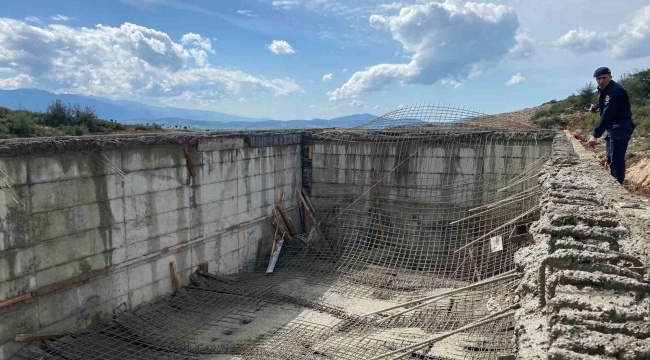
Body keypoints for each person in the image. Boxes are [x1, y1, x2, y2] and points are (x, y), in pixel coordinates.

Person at [587, 67, 635, 184]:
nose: (601, 81)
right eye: (599, 79)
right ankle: (616, 183)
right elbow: (604, 102)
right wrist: (597, 107)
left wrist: (595, 135)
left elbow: (607, 115)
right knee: (610, 157)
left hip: (620, 127)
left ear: (610, 77)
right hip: (613, 127)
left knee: (616, 159)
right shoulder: (605, 89)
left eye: (604, 78)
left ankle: (618, 187)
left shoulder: (616, 91)